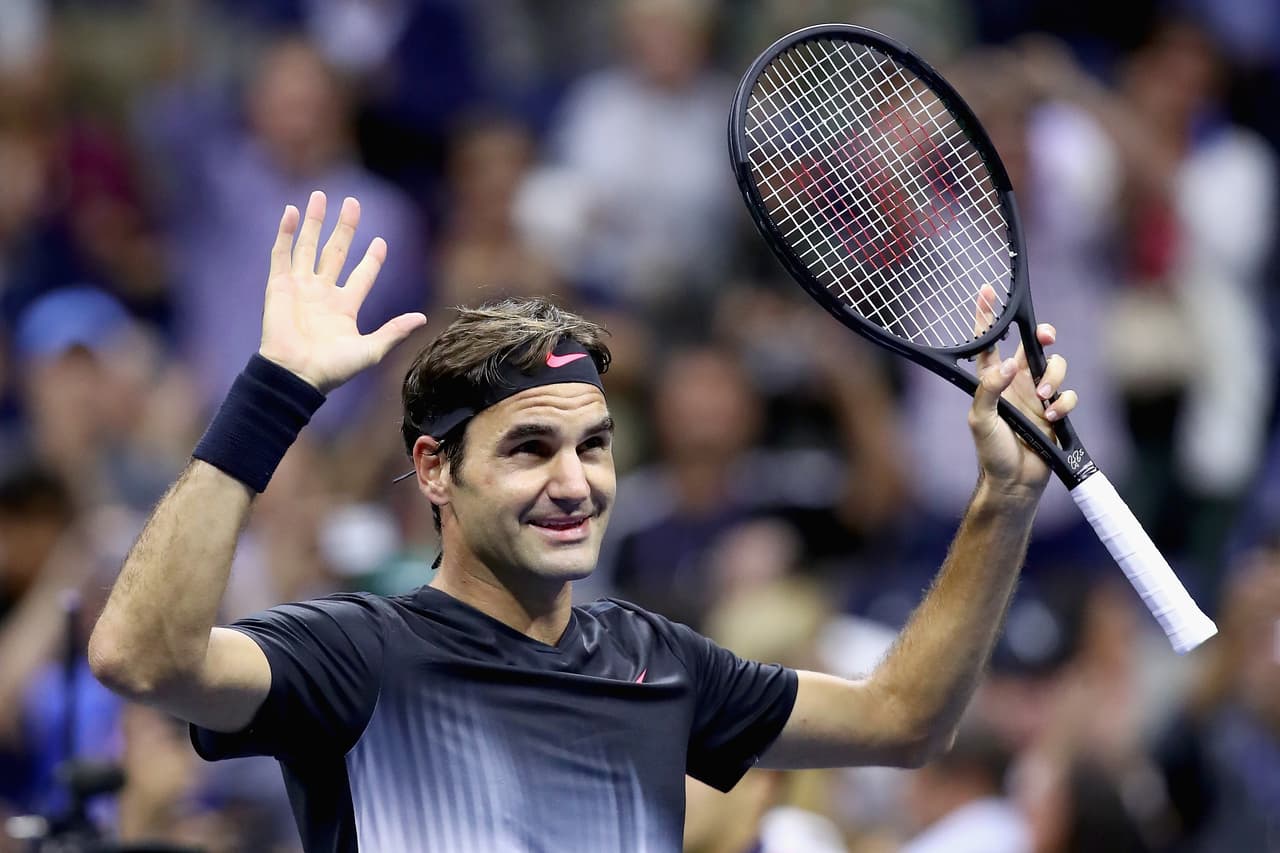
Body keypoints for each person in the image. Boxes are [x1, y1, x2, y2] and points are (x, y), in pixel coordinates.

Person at [87, 190, 1078, 852]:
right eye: (528, 449)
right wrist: (272, 397)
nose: (575, 481)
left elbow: (902, 719)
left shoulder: (665, 667)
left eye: (593, 445)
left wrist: (1001, 499)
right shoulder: (353, 656)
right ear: (434, 468)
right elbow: (140, 655)